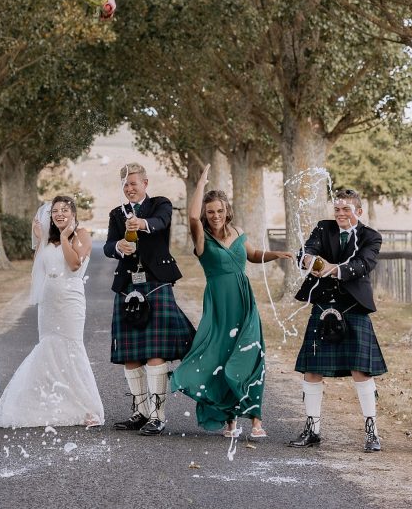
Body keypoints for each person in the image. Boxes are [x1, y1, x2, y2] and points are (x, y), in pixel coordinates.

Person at [172, 165, 293, 438]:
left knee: (251, 354)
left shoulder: (237, 231)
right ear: (205, 213)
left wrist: (277, 254)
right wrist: (201, 183)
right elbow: (192, 217)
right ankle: (230, 421)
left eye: (220, 210)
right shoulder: (201, 236)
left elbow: (252, 255)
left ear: (227, 210)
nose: (215, 216)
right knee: (223, 357)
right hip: (219, 306)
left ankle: (256, 420)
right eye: (210, 211)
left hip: (244, 302)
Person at [0, 196, 104, 428]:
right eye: (55, 211)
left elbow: (74, 265)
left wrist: (64, 237)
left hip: (71, 300)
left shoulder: (81, 235)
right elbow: (39, 271)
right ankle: (47, 403)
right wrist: (41, 241)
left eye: (64, 210)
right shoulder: (45, 241)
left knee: (71, 348)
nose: (59, 214)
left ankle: (87, 408)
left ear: (73, 213)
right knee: (48, 348)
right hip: (49, 303)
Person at [288, 188, 387, 453]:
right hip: (323, 304)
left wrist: (328, 268)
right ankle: (312, 429)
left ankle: (372, 432)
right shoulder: (324, 228)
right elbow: (305, 253)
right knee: (312, 369)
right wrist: (308, 259)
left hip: (354, 306)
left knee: (360, 370)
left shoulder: (371, 236)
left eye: (346, 209)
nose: (340, 213)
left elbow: (362, 265)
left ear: (359, 211)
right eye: (338, 209)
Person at [104, 162, 195, 436]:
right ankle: (140, 412)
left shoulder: (159, 204)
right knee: (131, 355)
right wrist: (118, 247)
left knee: (156, 352)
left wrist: (142, 223)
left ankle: (158, 416)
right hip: (128, 285)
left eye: (134, 183)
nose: (130, 188)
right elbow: (109, 245)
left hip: (156, 283)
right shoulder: (116, 214)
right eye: (125, 185)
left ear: (145, 183)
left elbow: (161, 222)